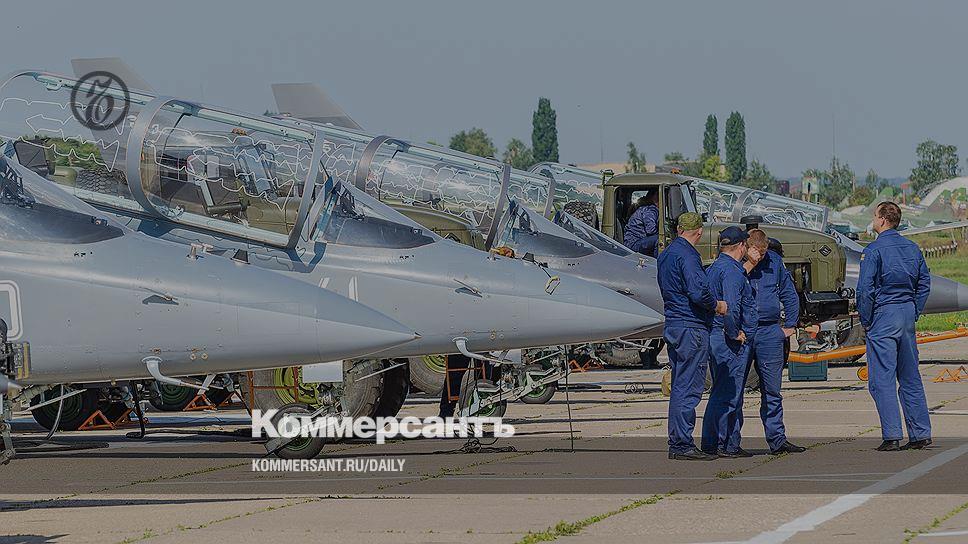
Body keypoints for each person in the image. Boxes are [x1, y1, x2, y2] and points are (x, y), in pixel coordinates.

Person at [858, 202, 932, 451]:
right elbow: (924, 284)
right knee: (910, 376)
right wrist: (914, 310)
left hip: (884, 315)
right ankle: (920, 433)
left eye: (874, 216)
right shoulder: (912, 248)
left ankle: (892, 436)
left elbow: (865, 290)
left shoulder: (874, 250)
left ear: (882, 220)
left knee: (882, 379)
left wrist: (866, 320)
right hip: (906, 314)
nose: (873, 220)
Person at [657, 212, 727, 461]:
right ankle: (681, 444)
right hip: (691, 326)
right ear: (699, 232)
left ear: (678, 229)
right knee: (689, 387)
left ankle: (678, 441)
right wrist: (716, 305)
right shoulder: (688, 255)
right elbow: (698, 290)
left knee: (679, 385)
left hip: (674, 324)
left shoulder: (666, 254)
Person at [743, 228, 806, 455]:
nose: (761, 257)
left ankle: (777, 439)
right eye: (757, 252)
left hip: (769, 331)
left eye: (763, 252)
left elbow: (789, 293)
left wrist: (790, 325)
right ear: (746, 247)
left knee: (772, 390)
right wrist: (748, 264)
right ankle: (729, 441)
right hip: (743, 331)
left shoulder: (774, 262)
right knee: (734, 389)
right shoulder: (737, 263)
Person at [701, 226, 758, 457]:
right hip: (728, 340)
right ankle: (720, 443)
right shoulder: (732, 272)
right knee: (728, 393)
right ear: (742, 246)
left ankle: (728, 442)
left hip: (717, 336)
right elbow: (731, 307)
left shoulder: (715, 268)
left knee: (723, 391)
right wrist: (734, 333)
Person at [624, 190, 660, 257]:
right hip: (634, 244)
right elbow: (650, 230)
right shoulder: (650, 210)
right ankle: (658, 262)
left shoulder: (648, 209)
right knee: (660, 239)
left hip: (637, 241)